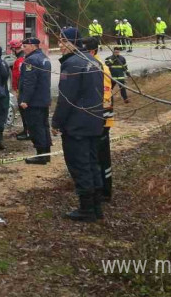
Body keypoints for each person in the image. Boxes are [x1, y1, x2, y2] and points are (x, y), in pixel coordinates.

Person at [52, 32, 106, 222]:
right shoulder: (93, 61)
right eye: (59, 41)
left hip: (77, 125)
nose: (60, 45)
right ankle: (97, 207)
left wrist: (56, 122)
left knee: (80, 166)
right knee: (93, 164)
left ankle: (87, 209)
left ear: (73, 42)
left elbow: (66, 99)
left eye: (63, 41)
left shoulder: (72, 64)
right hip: (94, 121)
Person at [19, 38, 52, 164]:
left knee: (35, 127)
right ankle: (46, 154)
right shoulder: (44, 57)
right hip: (43, 99)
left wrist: (25, 100)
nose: (23, 48)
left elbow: (29, 82)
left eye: (25, 46)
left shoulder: (31, 60)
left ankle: (41, 156)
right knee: (44, 126)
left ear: (33, 46)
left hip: (34, 101)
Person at [96, 46, 115, 203]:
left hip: (102, 119)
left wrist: (103, 118)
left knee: (103, 158)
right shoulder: (93, 64)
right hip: (100, 118)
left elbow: (106, 93)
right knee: (99, 158)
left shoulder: (100, 67)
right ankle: (101, 188)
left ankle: (105, 191)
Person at [9, 40, 30, 141]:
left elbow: (17, 76)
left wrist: (16, 89)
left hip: (21, 89)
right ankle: (26, 130)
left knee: (24, 111)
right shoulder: (23, 58)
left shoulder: (19, 60)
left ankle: (28, 132)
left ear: (14, 49)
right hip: (24, 88)